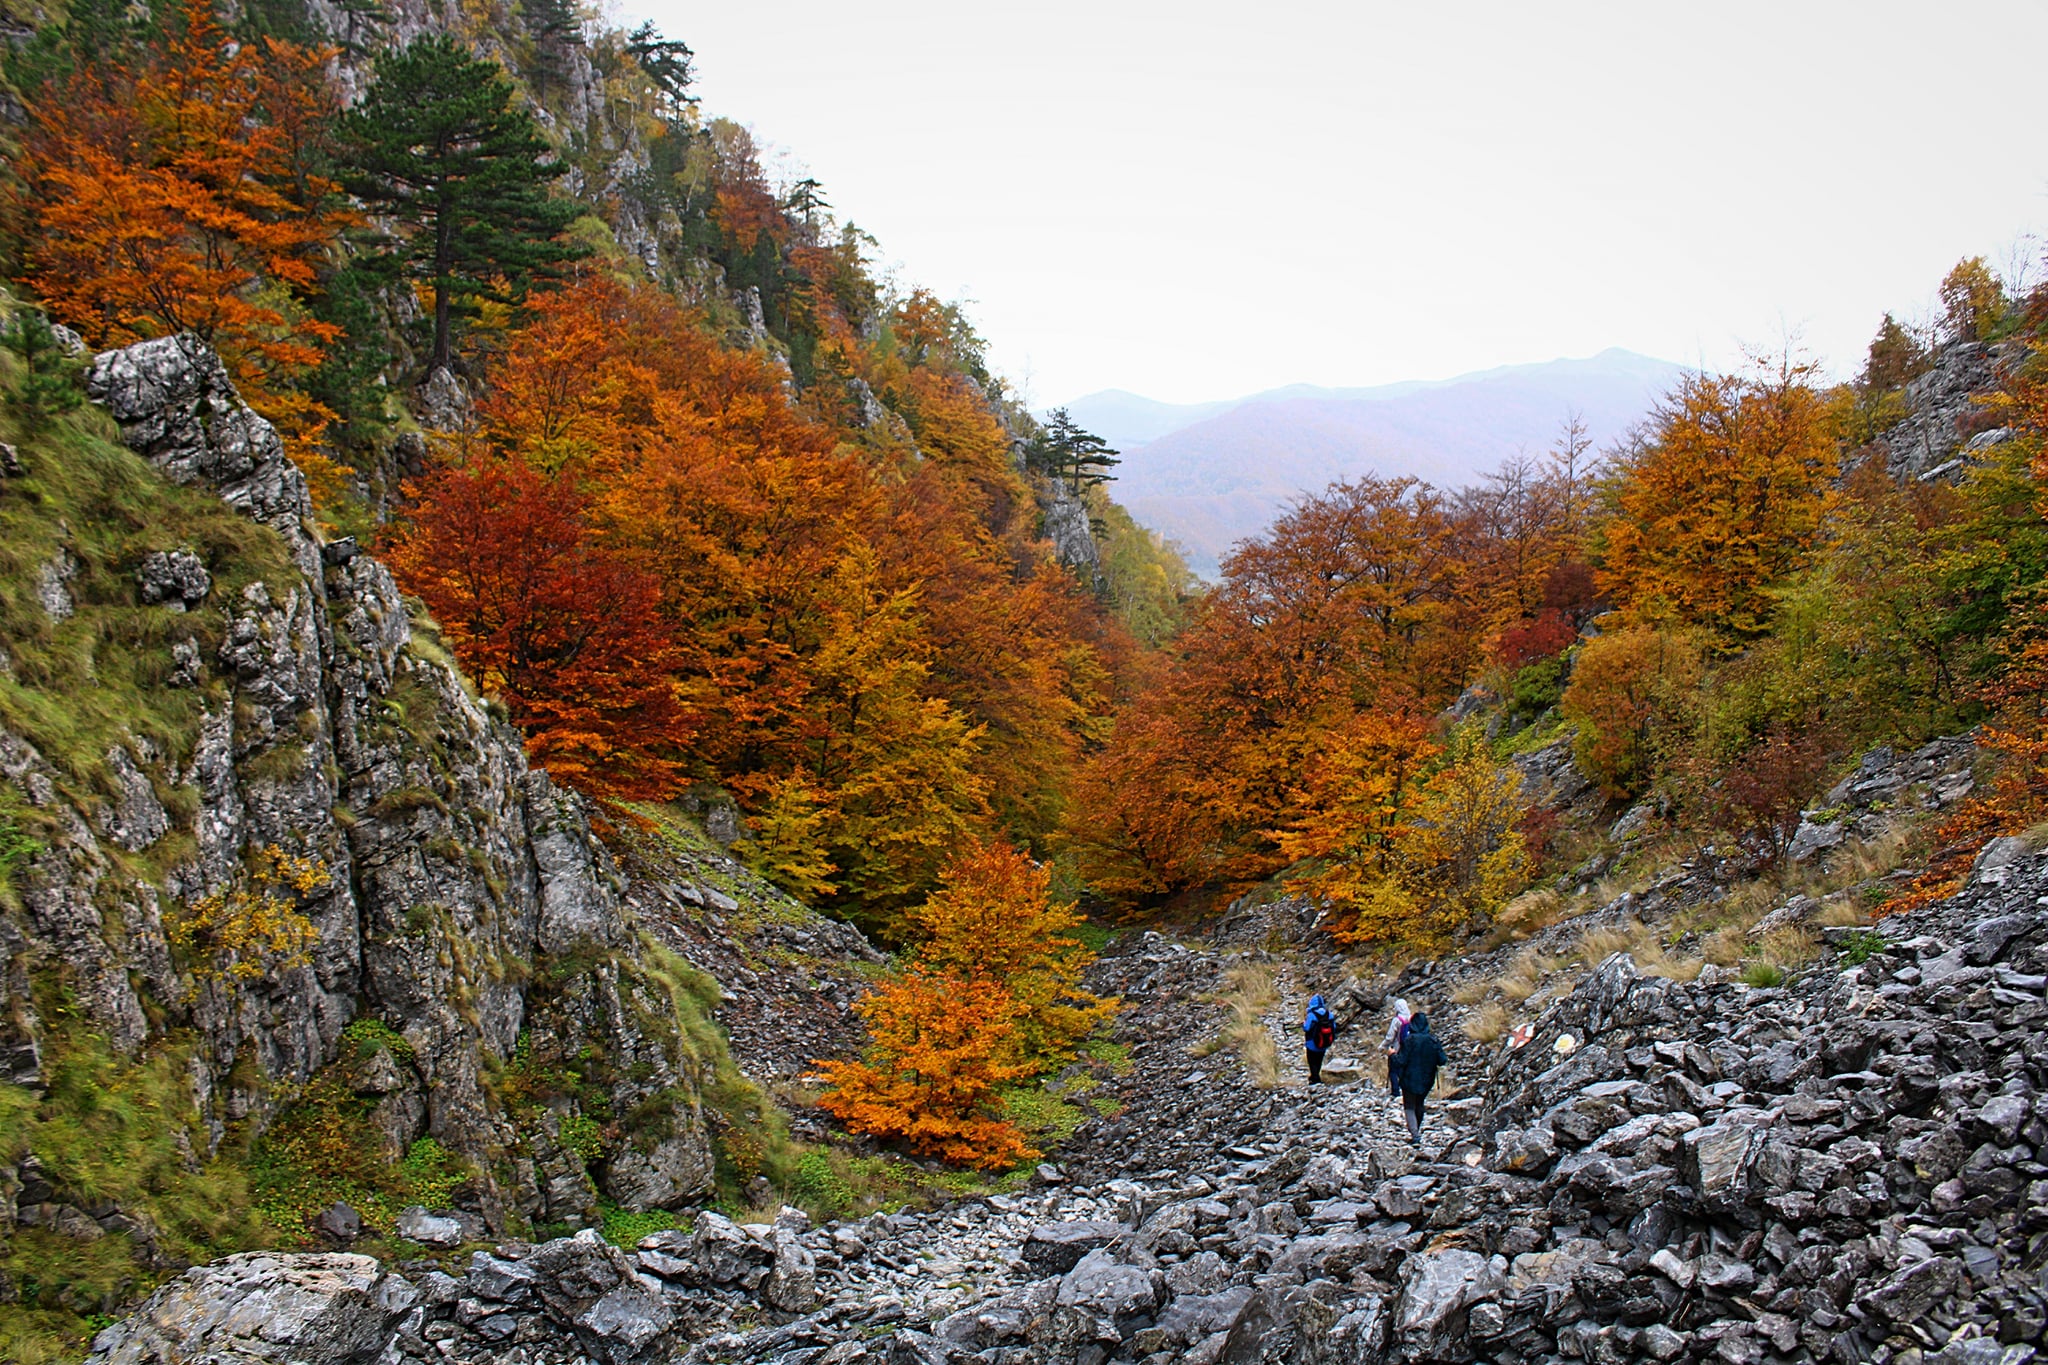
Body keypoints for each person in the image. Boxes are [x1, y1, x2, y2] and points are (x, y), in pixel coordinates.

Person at [1392, 1012, 1447, 1146]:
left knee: (1409, 1106)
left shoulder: (1410, 1040)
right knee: (1419, 1104)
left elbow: (1401, 1061)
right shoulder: (1433, 1040)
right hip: (1427, 1079)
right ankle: (1416, 1130)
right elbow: (1442, 1060)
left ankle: (1415, 1135)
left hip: (1409, 1078)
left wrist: (1392, 1055)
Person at [1382, 998, 1411, 1098]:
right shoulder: (1411, 1018)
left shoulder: (1397, 1020)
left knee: (1393, 1070)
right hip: (1409, 1049)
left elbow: (1390, 1037)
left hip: (1397, 1048)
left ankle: (1395, 1091)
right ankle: (1406, 1090)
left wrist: (1383, 1046)